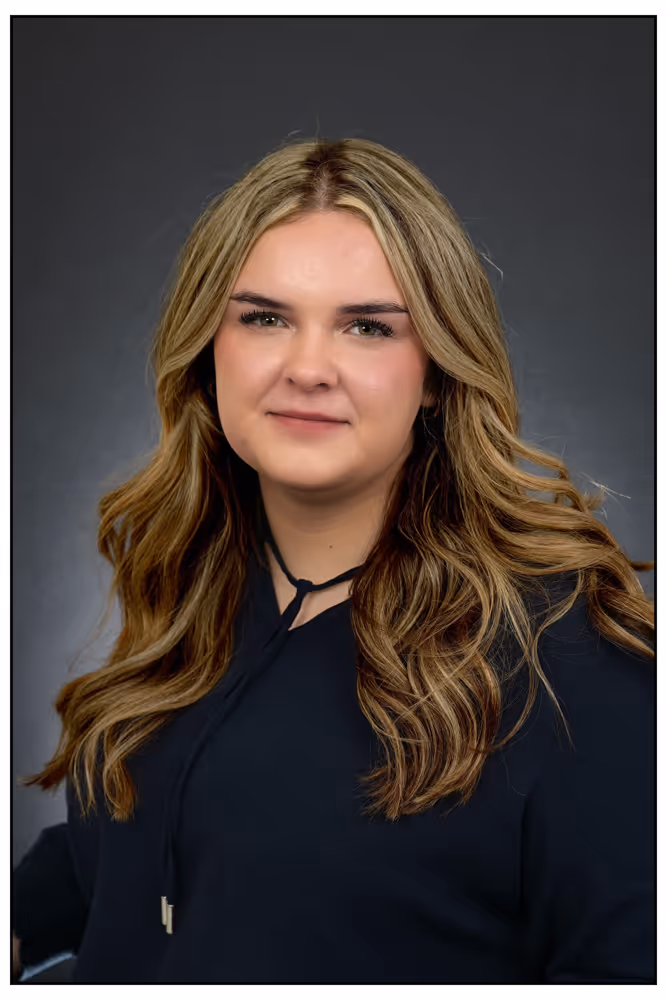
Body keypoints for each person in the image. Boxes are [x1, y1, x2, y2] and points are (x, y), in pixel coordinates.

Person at [12, 137, 655, 984]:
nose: (307, 368)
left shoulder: (569, 659)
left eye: (367, 327)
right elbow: (138, 855)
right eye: (264, 318)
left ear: (436, 372)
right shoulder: (200, 593)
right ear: (208, 348)